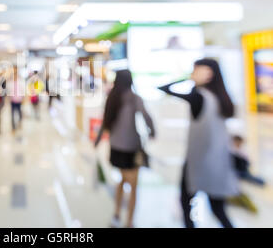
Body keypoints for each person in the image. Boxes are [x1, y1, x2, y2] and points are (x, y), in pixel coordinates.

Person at [158, 58, 239, 228]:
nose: (193, 74)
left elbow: (164, 88)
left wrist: (187, 79)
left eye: (196, 70)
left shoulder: (199, 97)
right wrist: (193, 78)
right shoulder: (220, 97)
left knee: (187, 201)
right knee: (218, 209)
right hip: (219, 162)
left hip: (198, 162)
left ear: (209, 74)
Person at [96, 70, 155, 228]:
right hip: (131, 147)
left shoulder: (112, 98)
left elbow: (105, 122)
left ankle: (116, 213)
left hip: (115, 147)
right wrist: (152, 132)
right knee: (134, 185)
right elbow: (147, 117)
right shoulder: (134, 98)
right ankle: (129, 221)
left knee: (122, 179)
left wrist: (96, 140)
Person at [9, 66, 24, 134]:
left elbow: (22, 90)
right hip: (12, 100)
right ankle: (13, 128)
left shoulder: (20, 82)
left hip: (19, 100)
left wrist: (23, 98)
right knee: (12, 114)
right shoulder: (10, 82)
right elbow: (8, 91)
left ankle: (20, 122)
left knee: (19, 112)